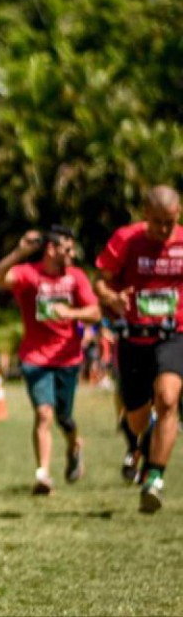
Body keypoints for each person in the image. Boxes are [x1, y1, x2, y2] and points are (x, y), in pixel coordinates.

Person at [0, 226, 101, 495]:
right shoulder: (30, 275)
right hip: (35, 358)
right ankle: (43, 474)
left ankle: (75, 445)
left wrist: (71, 312)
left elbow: (95, 313)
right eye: (67, 248)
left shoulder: (76, 277)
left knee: (65, 418)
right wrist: (19, 251)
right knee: (43, 413)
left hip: (68, 358)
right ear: (51, 249)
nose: (72, 253)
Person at [95, 185, 183, 514]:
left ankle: (155, 478)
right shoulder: (126, 240)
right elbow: (100, 281)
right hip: (134, 337)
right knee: (137, 418)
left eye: (170, 222)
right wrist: (111, 298)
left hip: (174, 333)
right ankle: (142, 448)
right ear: (145, 214)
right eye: (158, 222)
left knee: (168, 398)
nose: (164, 230)